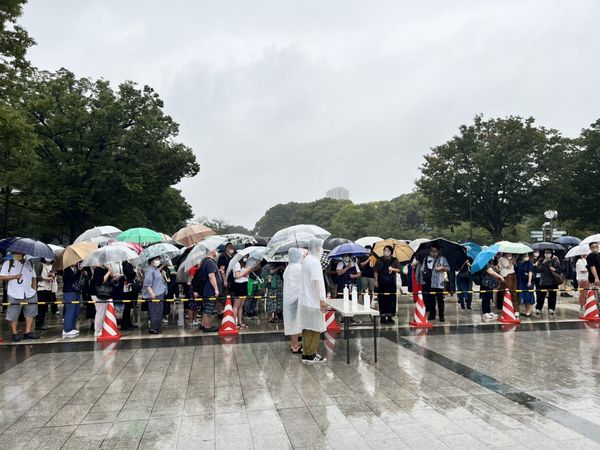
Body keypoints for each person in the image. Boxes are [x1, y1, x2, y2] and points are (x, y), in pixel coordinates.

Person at [298, 238, 327, 363]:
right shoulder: (314, 262)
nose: (322, 251)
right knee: (315, 328)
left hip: (305, 300)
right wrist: (321, 299)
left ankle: (306, 353)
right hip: (313, 300)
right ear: (317, 248)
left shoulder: (306, 260)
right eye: (321, 248)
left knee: (306, 328)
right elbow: (317, 282)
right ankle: (312, 354)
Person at [0, 253, 40, 341]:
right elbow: (1, 277)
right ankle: (14, 333)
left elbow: (34, 276)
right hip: (15, 293)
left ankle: (28, 331)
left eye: (21, 253)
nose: (19, 254)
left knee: (30, 312)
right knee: (13, 313)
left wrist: (34, 289)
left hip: (29, 292)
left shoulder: (29, 263)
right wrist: (14, 276)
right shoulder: (8, 263)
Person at [417, 244, 450, 322]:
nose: (433, 253)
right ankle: (432, 315)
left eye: (435, 251)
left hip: (439, 283)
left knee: (440, 300)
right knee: (431, 300)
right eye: (432, 251)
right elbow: (422, 270)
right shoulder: (426, 259)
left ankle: (441, 316)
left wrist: (442, 268)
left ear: (438, 251)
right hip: (429, 283)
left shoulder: (443, 259)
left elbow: (448, 268)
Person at [283, 248, 304, 353]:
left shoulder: (288, 268)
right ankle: (295, 347)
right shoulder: (299, 268)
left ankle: (294, 345)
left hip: (289, 299)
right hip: (297, 299)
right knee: (297, 323)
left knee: (292, 323)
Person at [374, 246, 401, 324]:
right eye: (385, 250)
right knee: (382, 300)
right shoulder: (379, 260)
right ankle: (382, 317)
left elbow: (399, 270)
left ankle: (390, 316)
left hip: (391, 283)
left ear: (391, 252)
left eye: (388, 250)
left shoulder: (394, 260)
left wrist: (393, 269)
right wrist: (376, 281)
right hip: (381, 282)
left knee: (391, 300)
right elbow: (376, 271)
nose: (386, 252)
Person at [198, 249, 222, 332]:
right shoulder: (209, 262)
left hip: (206, 289)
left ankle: (203, 325)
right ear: (212, 251)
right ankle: (207, 326)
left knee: (206, 308)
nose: (217, 251)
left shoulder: (205, 261)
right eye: (215, 250)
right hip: (209, 290)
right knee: (209, 309)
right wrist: (216, 289)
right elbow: (211, 276)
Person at [142, 257, 167, 334]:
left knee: (159, 312)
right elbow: (147, 284)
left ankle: (158, 327)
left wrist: (163, 275)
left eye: (158, 259)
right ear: (151, 262)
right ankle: (153, 328)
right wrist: (152, 294)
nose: (158, 261)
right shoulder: (149, 271)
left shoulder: (156, 270)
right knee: (154, 312)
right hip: (154, 295)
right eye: (156, 259)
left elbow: (158, 281)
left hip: (160, 294)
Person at [535, 249, 562, 316]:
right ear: (543, 253)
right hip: (543, 281)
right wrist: (543, 263)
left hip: (553, 281)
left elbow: (559, 270)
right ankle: (539, 308)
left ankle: (551, 308)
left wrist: (554, 269)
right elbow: (538, 269)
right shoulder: (541, 260)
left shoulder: (555, 260)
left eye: (549, 253)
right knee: (541, 296)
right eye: (546, 253)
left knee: (552, 296)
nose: (547, 254)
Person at [34, 257, 56, 330]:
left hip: (48, 288)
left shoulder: (52, 265)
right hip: (41, 289)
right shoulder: (40, 264)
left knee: (45, 308)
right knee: (40, 308)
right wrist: (46, 278)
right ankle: (38, 324)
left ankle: (42, 323)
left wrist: (52, 276)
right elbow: (36, 276)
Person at [62, 263, 83, 338]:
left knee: (75, 310)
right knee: (70, 310)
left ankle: (72, 327)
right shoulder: (66, 269)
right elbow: (73, 278)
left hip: (76, 291)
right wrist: (79, 271)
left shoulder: (75, 269)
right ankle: (67, 329)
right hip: (69, 292)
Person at [233, 255, 254, 329]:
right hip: (238, 285)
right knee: (236, 305)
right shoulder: (237, 264)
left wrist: (248, 271)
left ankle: (240, 322)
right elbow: (237, 275)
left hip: (244, 284)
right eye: (245, 256)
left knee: (241, 306)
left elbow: (245, 276)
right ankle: (234, 323)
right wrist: (245, 271)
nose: (246, 258)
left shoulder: (244, 265)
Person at [92, 264, 112, 337]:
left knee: (103, 312)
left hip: (104, 293)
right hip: (98, 293)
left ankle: (101, 328)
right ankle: (97, 330)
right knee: (100, 312)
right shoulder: (98, 269)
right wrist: (109, 272)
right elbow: (100, 281)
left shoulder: (104, 269)